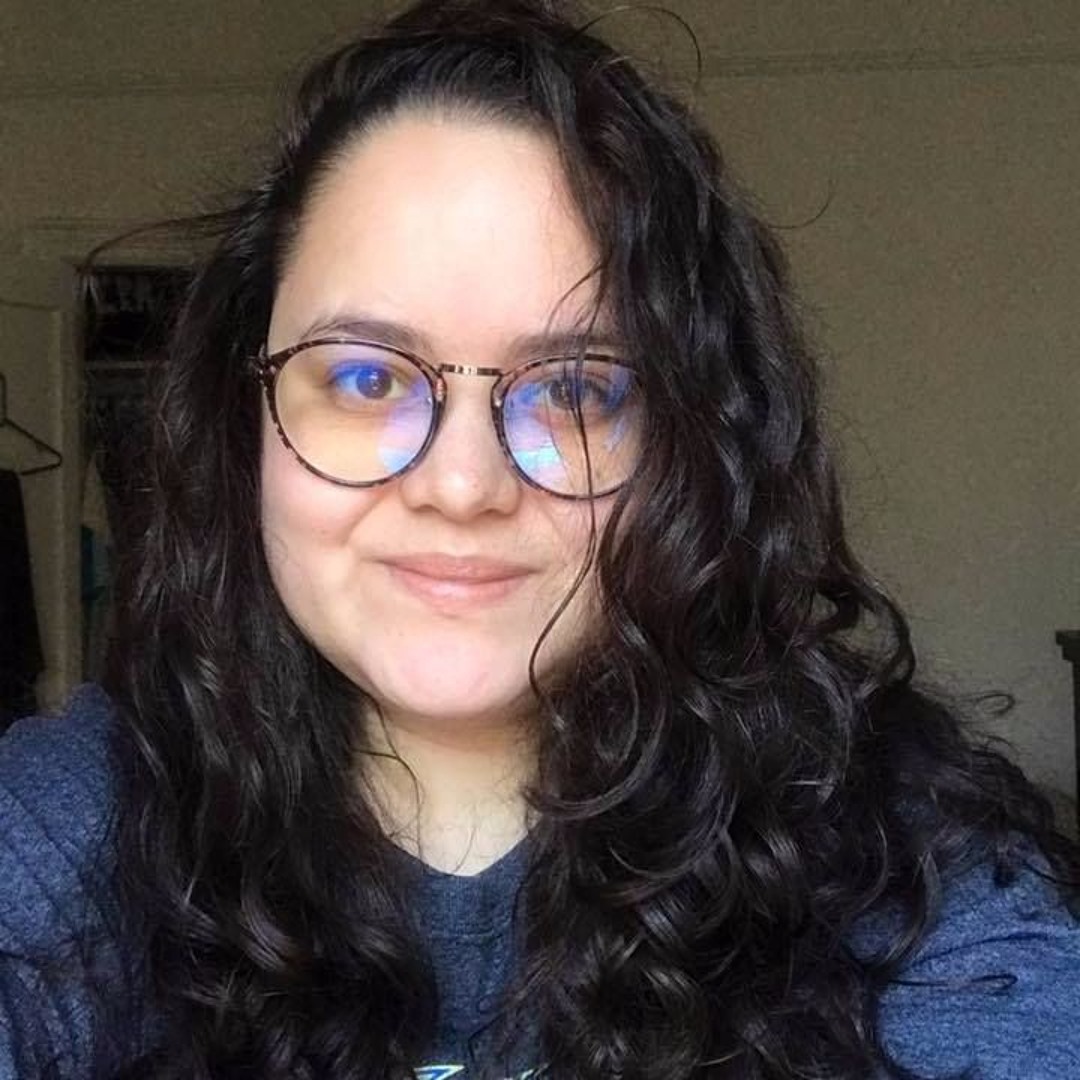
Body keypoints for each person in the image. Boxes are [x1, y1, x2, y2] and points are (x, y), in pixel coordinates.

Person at [1, 0, 1078, 1077]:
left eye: (573, 390)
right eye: (366, 378)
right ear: (248, 415)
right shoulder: (76, 823)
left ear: (688, 443)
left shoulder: (910, 865)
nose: (462, 484)